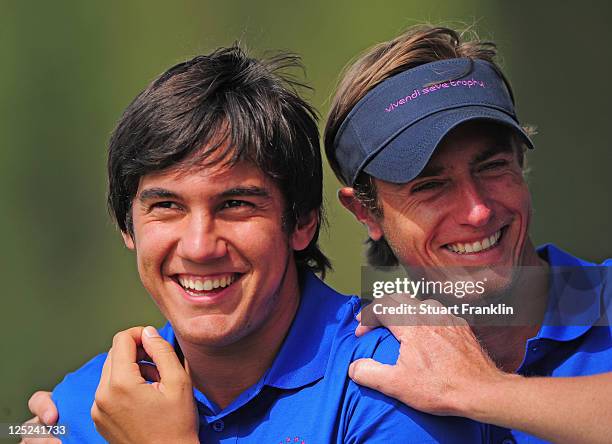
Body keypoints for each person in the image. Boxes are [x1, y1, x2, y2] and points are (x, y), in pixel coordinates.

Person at [21, 46, 483, 444]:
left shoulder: (397, 383)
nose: (200, 246)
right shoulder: (85, 405)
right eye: (166, 206)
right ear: (129, 226)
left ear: (301, 222)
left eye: (236, 204)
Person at [323, 26, 612, 444]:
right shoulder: (360, 372)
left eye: (492, 166)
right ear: (366, 211)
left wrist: (481, 390)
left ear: (520, 162)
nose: (477, 211)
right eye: (428, 186)